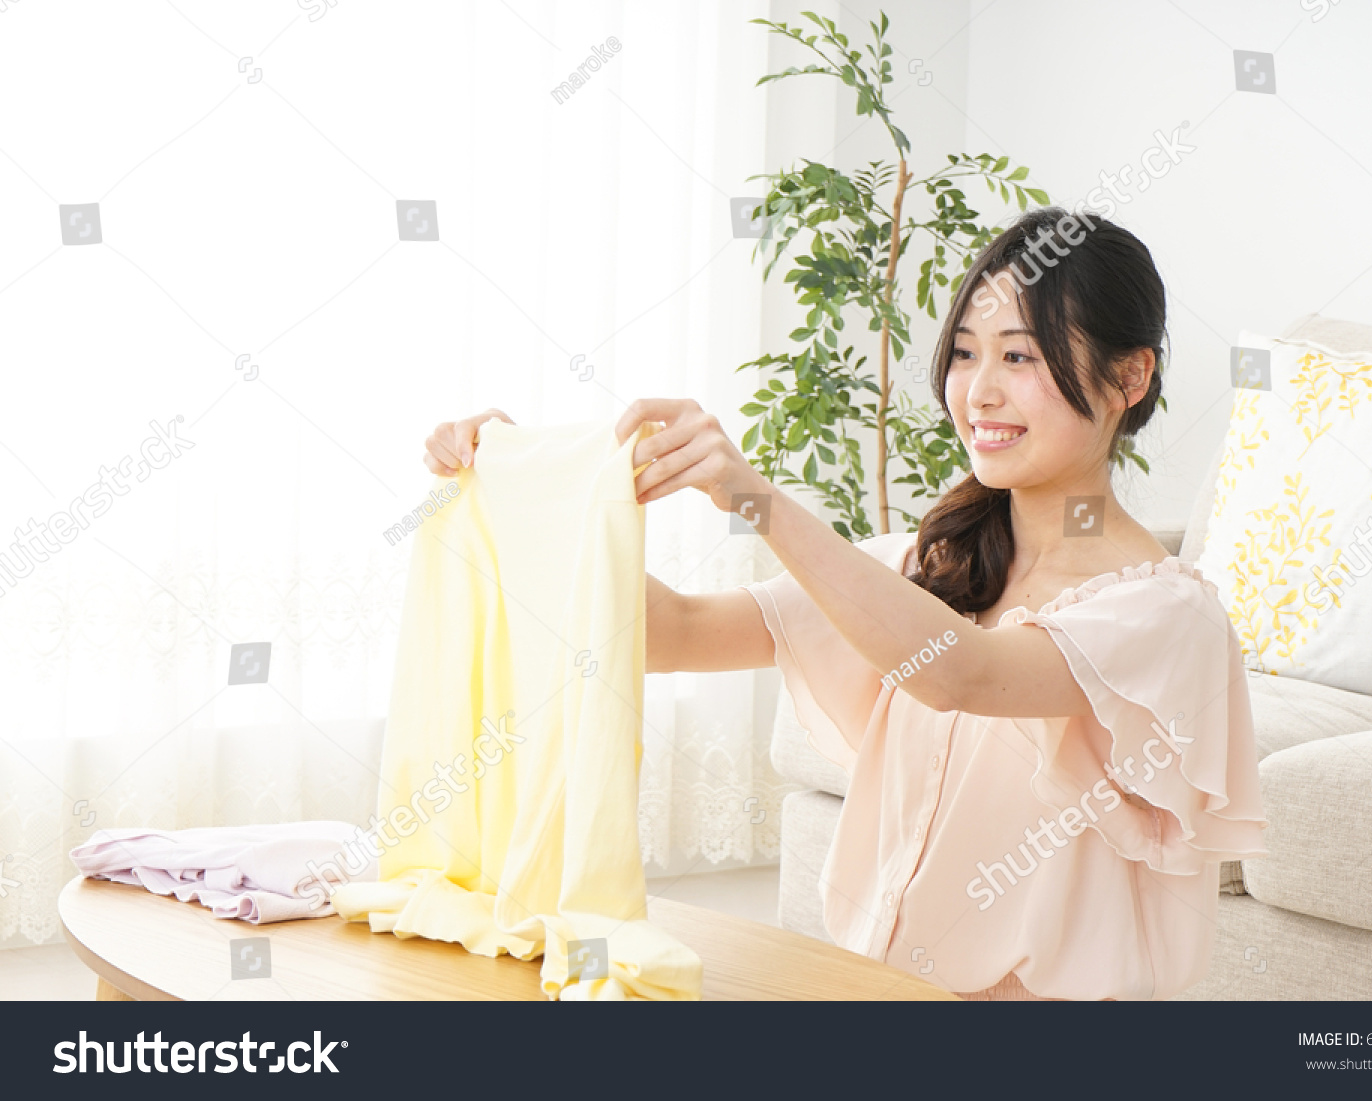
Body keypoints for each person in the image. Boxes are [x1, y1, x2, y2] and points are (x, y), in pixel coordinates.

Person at [423, 207, 1268, 1000]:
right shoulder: (922, 566)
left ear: (1128, 376)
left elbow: (962, 673)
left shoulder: (1165, 617)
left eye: (1020, 356)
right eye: (965, 353)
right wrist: (517, 491)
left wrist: (758, 499)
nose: (977, 393)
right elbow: (671, 632)